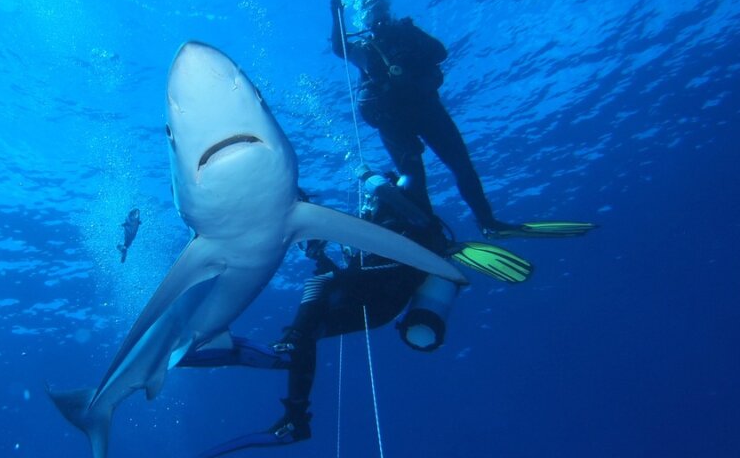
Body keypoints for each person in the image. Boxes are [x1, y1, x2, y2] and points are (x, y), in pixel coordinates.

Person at [179, 166, 533, 456]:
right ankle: (294, 416)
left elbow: (378, 260)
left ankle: (288, 353)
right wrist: (320, 250)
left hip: (378, 294)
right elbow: (356, 269)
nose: (365, 205)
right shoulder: (384, 225)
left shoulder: (408, 219)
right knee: (309, 328)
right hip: (375, 305)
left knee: (316, 293)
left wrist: (374, 187)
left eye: (370, 200)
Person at [330, 0, 597, 240]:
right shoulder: (365, 48)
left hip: (426, 109)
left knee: (461, 164)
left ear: (388, 11)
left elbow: (440, 52)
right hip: (392, 119)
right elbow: (340, 47)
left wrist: (410, 33)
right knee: (413, 176)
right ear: (363, 19)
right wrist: (336, 13)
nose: (377, 16)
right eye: (370, 12)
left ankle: (487, 222)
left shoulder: (406, 33)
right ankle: (430, 234)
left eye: (381, 9)